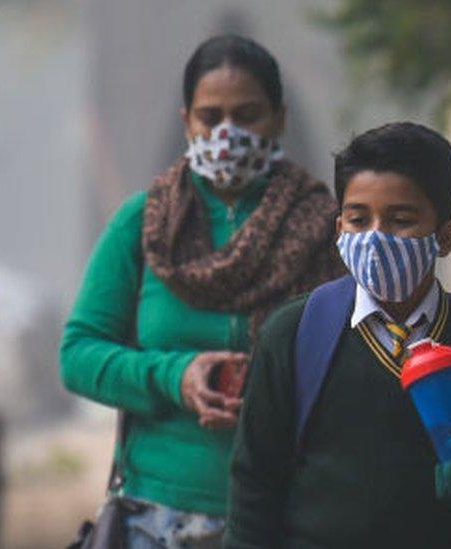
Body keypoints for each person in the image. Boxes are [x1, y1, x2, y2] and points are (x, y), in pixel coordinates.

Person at [226, 122, 451, 548]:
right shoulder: (294, 335)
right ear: (339, 229)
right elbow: (254, 484)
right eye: (359, 219)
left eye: (401, 219)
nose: (376, 238)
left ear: (444, 237)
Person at [60, 35, 343, 548]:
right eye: (210, 117)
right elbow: (79, 354)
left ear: (278, 119)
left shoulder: (324, 230)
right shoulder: (142, 225)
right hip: (159, 520)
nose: (227, 134)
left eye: (248, 114)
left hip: (286, 519)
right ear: (187, 120)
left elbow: (357, 365)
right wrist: (175, 376)